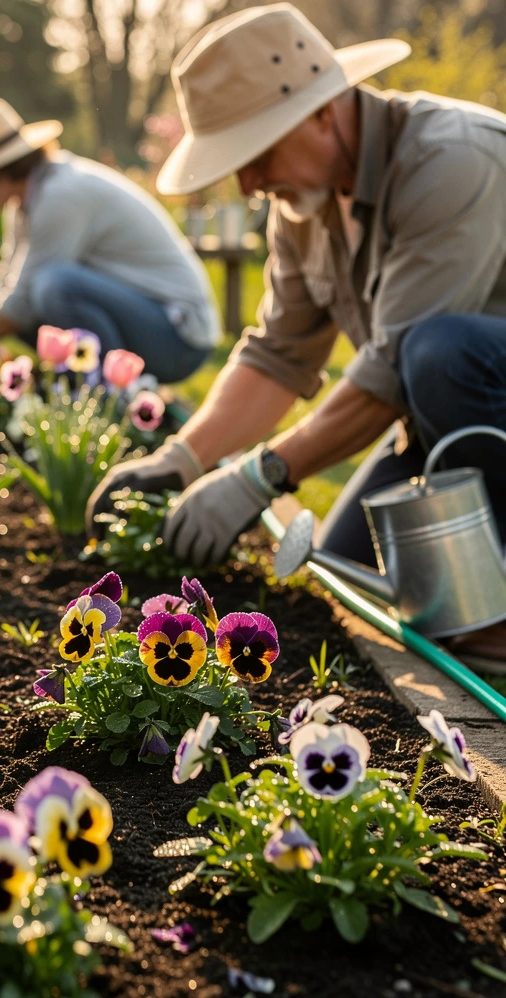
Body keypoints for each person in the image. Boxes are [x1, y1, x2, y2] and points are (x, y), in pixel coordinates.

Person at [86, 2, 506, 669]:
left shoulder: (451, 161)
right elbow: (277, 355)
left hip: (462, 383)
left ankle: (497, 614)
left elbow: (395, 366)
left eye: (256, 154)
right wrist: (182, 460)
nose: (248, 183)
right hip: (451, 418)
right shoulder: (301, 204)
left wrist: (261, 476)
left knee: (440, 350)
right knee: (339, 572)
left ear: (322, 110)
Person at [0, 98, 221, 383]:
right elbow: (6, 288)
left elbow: (18, 306)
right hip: (150, 324)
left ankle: (113, 393)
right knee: (38, 295)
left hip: (180, 340)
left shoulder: (60, 195)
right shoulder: (25, 202)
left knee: (54, 286)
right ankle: (95, 385)